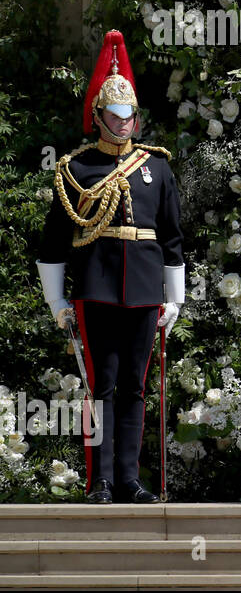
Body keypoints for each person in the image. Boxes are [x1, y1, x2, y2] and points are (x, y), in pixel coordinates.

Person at [37, 30, 185, 504]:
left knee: (135, 388)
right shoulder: (76, 169)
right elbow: (55, 240)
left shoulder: (156, 167)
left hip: (144, 289)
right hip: (98, 286)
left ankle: (130, 478)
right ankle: (99, 480)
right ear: (99, 117)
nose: (124, 124)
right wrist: (56, 298)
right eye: (115, 116)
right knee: (101, 385)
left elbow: (172, 236)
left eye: (129, 116)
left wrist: (176, 295)